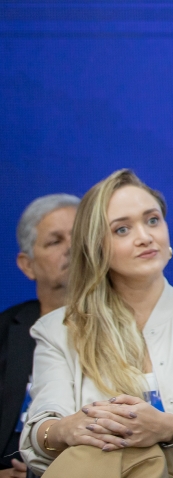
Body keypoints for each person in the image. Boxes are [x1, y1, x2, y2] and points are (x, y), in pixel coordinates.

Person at [19, 169, 173, 478]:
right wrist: (66, 429)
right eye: (122, 229)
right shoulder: (58, 328)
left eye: (152, 220)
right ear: (96, 246)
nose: (145, 237)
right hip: (94, 466)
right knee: (100, 448)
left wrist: (165, 426)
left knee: (129, 449)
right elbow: (39, 430)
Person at [1, 194, 78, 477]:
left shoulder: (133, 323)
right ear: (27, 265)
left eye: (79, 236)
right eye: (55, 241)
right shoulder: (4, 331)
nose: (72, 248)